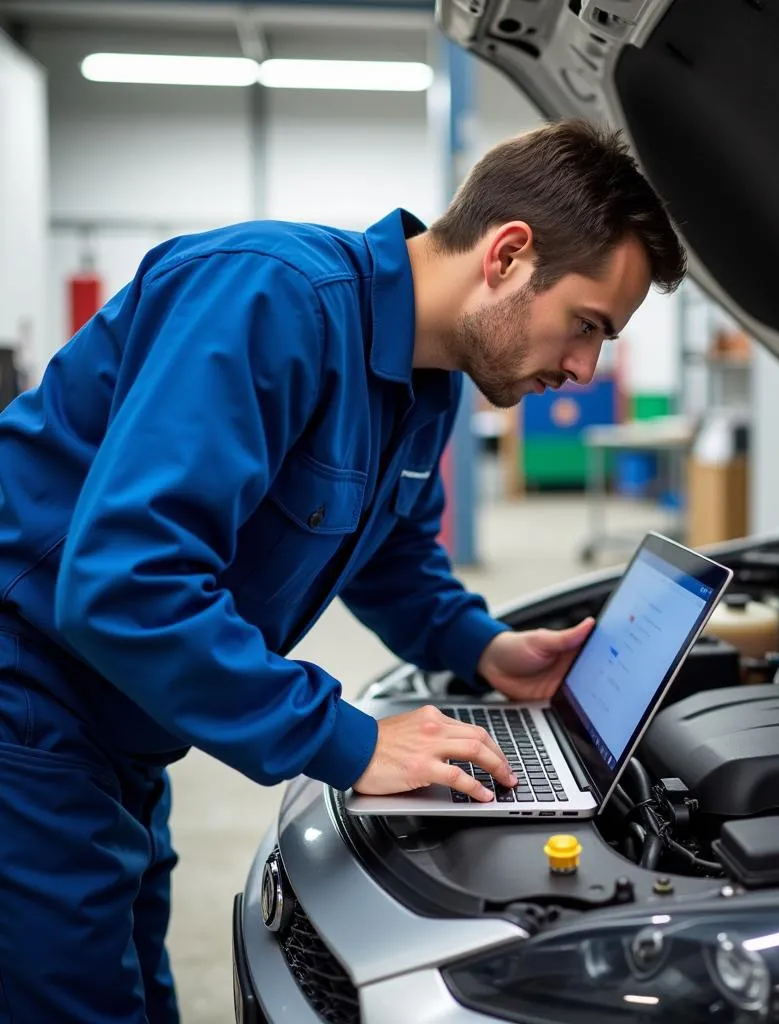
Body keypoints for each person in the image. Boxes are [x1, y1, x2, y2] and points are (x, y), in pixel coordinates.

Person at [0, 118, 686, 1023]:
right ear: (509, 254)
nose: (584, 368)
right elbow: (128, 581)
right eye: (586, 325)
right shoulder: (268, 301)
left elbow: (392, 558)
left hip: (128, 726)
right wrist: (352, 742)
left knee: (132, 983)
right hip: (28, 710)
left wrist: (484, 648)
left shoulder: (431, 382)